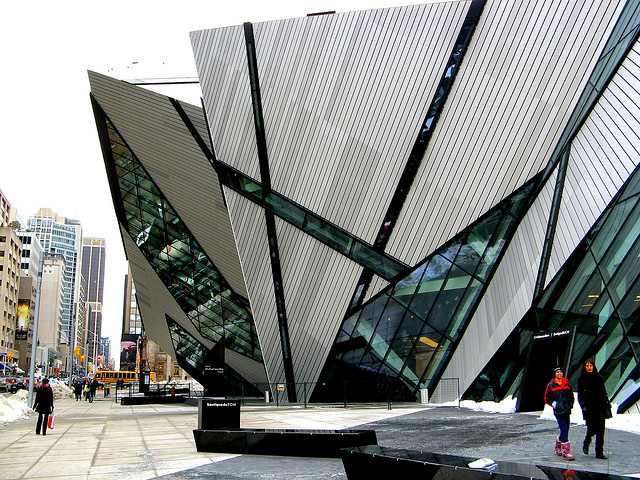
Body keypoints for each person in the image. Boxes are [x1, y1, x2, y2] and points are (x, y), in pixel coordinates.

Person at [578, 359, 610, 459]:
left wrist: (606, 402)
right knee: (591, 429)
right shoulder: (581, 378)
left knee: (601, 431)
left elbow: (604, 392)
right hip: (589, 408)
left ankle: (599, 452)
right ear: (585, 367)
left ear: (593, 366)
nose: (589, 367)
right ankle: (587, 441)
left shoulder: (599, 377)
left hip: (600, 407)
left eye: (590, 365)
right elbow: (581, 395)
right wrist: (583, 406)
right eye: (587, 365)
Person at [545, 366, 575, 460]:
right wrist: (555, 405)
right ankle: (566, 452)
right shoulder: (551, 385)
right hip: (559, 411)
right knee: (564, 429)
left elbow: (571, 396)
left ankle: (558, 443)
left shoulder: (567, 384)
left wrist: (570, 404)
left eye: (560, 372)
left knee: (566, 429)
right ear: (555, 374)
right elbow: (547, 398)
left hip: (566, 410)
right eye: (557, 372)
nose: (559, 374)